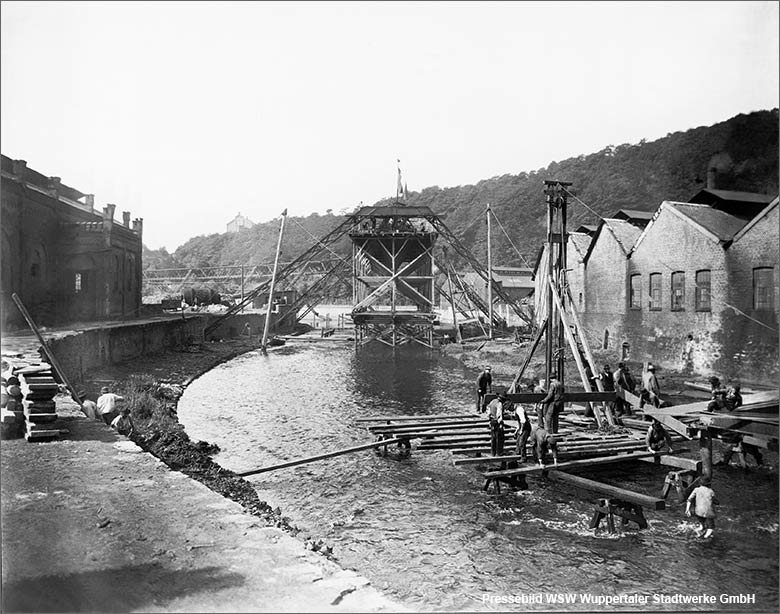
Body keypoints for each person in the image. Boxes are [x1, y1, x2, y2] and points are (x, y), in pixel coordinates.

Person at [513, 395, 533, 463]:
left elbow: (523, 421)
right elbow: (519, 422)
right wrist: (516, 431)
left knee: (522, 442)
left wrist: (521, 430)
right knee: (518, 440)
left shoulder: (519, 409)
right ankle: (517, 454)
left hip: (526, 428)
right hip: (521, 426)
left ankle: (523, 457)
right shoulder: (515, 410)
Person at [486, 391, 507, 456]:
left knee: (493, 438)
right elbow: (499, 414)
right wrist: (501, 423)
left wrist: (489, 419)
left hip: (492, 421)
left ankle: (493, 452)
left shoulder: (492, 401)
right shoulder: (499, 404)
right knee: (500, 438)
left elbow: (488, 411)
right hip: (497, 422)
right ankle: (499, 452)